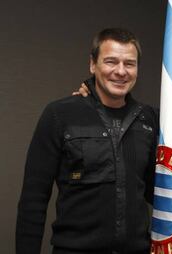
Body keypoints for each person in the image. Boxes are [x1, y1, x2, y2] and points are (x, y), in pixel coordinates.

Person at [16, 28, 158, 254]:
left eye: (129, 64)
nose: (121, 71)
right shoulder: (60, 115)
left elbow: (158, 190)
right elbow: (33, 200)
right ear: (93, 64)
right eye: (111, 61)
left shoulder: (149, 119)